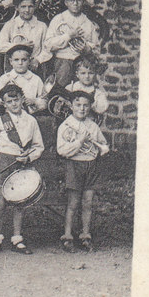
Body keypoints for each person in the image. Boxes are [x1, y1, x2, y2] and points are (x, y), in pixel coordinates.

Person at [0, 83, 45, 255]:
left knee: (19, 201)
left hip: (23, 163)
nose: (13, 104)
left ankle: (17, 239)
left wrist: (29, 157)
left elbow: (38, 146)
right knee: (1, 202)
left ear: (22, 100)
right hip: (5, 161)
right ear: (4, 104)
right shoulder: (0, 120)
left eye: (16, 100)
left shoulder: (31, 121)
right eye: (9, 101)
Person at [56, 90, 110, 253]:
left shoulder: (92, 126)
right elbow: (62, 150)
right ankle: (67, 236)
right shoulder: (66, 126)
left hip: (91, 165)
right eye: (78, 105)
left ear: (90, 107)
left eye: (86, 106)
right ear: (71, 106)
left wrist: (103, 148)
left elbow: (102, 143)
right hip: (74, 165)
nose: (82, 109)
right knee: (73, 203)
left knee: (87, 203)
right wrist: (79, 142)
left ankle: (85, 236)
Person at [44, 0, 102, 87]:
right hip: (62, 63)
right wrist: (69, 36)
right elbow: (48, 45)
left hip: (83, 65)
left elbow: (97, 48)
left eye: (78, 0)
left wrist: (88, 49)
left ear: (83, 2)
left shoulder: (88, 23)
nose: (75, 3)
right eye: (71, 0)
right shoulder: (58, 19)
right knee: (61, 92)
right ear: (66, 2)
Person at [0, 0, 50, 75]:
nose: (27, 10)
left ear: (35, 7)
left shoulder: (42, 26)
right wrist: (19, 45)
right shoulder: (10, 25)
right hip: (14, 68)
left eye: (30, 6)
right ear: (17, 8)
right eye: (23, 7)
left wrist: (38, 60)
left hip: (35, 68)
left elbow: (47, 49)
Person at [0, 44, 48, 114]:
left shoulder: (36, 79)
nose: (20, 63)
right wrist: (9, 101)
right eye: (16, 60)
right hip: (9, 115)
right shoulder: (5, 78)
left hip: (30, 116)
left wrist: (34, 101)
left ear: (29, 61)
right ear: (11, 61)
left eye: (24, 60)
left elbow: (45, 102)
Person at [66, 52, 109, 118]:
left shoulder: (98, 93)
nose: (87, 76)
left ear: (95, 73)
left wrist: (91, 104)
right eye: (83, 73)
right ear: (77, 74)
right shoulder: (70, 88)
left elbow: (102, 108)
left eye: (90, 73)